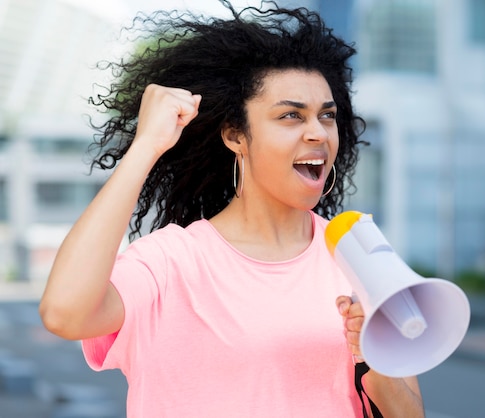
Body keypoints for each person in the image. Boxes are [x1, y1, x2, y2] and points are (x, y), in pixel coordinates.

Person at [39, 1, 424, 417]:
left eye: (326, 116)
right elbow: (65, 313)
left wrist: (377, 358)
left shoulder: (356, 254)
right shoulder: (171, 262)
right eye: (292, 116)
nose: (317, 132)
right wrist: (146, 146)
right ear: (236, 136)